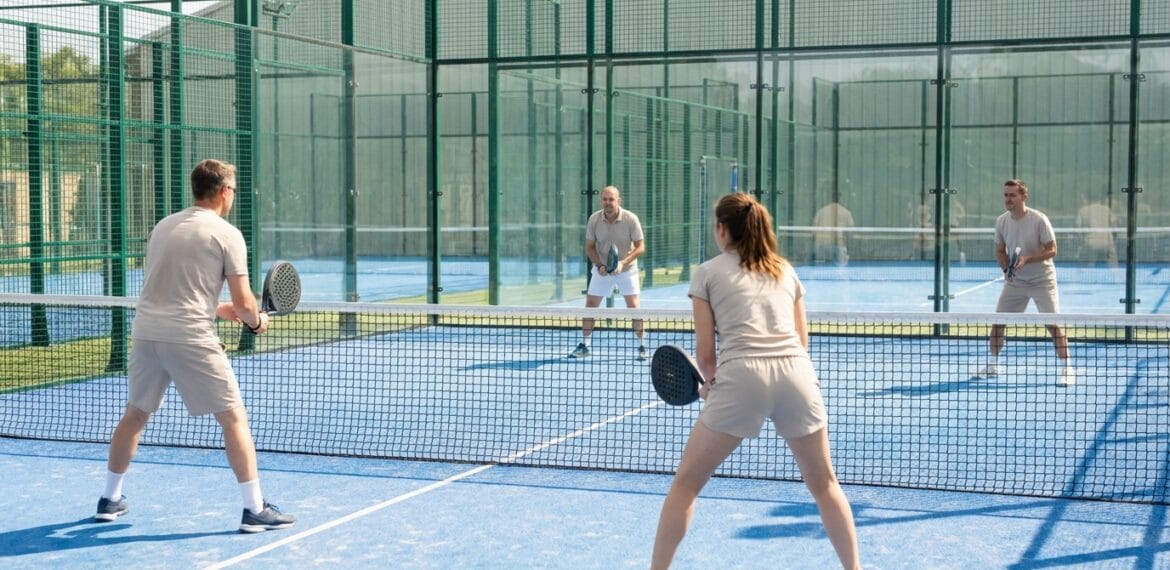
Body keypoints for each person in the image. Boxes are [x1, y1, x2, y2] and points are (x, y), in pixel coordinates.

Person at [651, 193, 860, 569]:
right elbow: (801, 339)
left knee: (685, 486)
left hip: (743, 376)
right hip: (797, 374)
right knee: (826, 485)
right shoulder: (785, 269)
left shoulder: (707, 272)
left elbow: (706, 355)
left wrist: (711, 383)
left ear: (722, 229)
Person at [94, 159, 296, 533]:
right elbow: (246, 302)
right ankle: (254, 509)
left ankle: (109, 499)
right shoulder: (227, 234)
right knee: (233, 418)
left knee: (135, 414)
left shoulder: (163, 227)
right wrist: (255, 320)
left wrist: (219, 310)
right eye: (233, 190)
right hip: (189, 338)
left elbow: (171, 291)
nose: (233, 196)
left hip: (146, 334)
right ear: (223, 192)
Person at [973, 179, 1074, 386]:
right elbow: (1000, 250)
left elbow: (1052, 249)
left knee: (1053, 325)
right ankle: (993, 364)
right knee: (998, 322)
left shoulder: (1039, 219)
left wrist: (1027, 259)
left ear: (1023, 197)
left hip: (1042, 280)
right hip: (1015, 282)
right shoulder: (1001, 221)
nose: (1008, 199)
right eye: (1006, 195)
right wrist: (1005, 270)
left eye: (1012, 195)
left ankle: (1067, 368)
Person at [568, 185, 648, 360]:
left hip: (627, 269)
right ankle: (585, 346)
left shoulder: (630, 219)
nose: (607, 202)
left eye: (611, 199)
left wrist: (622, 263)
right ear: (601, 200)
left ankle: (642, 346)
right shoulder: (594, 219)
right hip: (601, 269)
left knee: (634, 307)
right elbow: (589, 247)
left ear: (618, 201)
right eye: (605, 199)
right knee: (590, 306)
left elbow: (641, 247)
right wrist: (599, 265)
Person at [1075, 194, 1118, 266]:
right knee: (1114, 265)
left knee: (1087, 266)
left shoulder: (1082, 210)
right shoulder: (1107, 209)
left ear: (1088, 200)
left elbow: (1078, 228)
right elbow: (1115, 226)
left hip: (1091, 243)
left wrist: (1082, 241)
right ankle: (1117, 276)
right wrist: (1113, 239)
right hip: (1107, 242)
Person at [812, 200, 854, 265]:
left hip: (821, 244)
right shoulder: (846, 212)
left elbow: (814, 228)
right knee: (842, 265)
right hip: (838, 244)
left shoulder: (821, 211)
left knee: (819, 264)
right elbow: (851, 230)